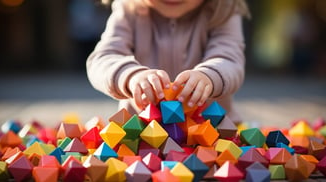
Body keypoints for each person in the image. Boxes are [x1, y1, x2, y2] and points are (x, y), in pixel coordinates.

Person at [86, 0, 250, 124]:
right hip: (140, 134)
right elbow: (103, 58)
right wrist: (131, 76)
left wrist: (208, 77)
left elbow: (230, 58)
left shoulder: (223, 10)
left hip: (214, 134)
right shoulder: (128, 9)